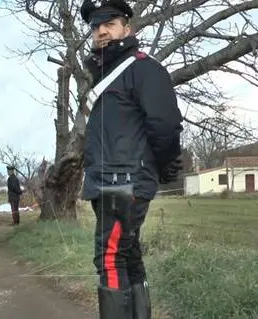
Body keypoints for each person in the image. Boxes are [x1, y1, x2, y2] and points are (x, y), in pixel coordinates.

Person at [79, 0, 183, 318]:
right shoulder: (100, 76)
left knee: (110, 259)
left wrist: (163, 168)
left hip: (124, 183)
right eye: (96, 25)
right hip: (104, 182)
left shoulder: (143, 68)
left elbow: (165, 126)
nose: (101, 31)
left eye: (109, 22)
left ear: (127, 27)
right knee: (129, 255)